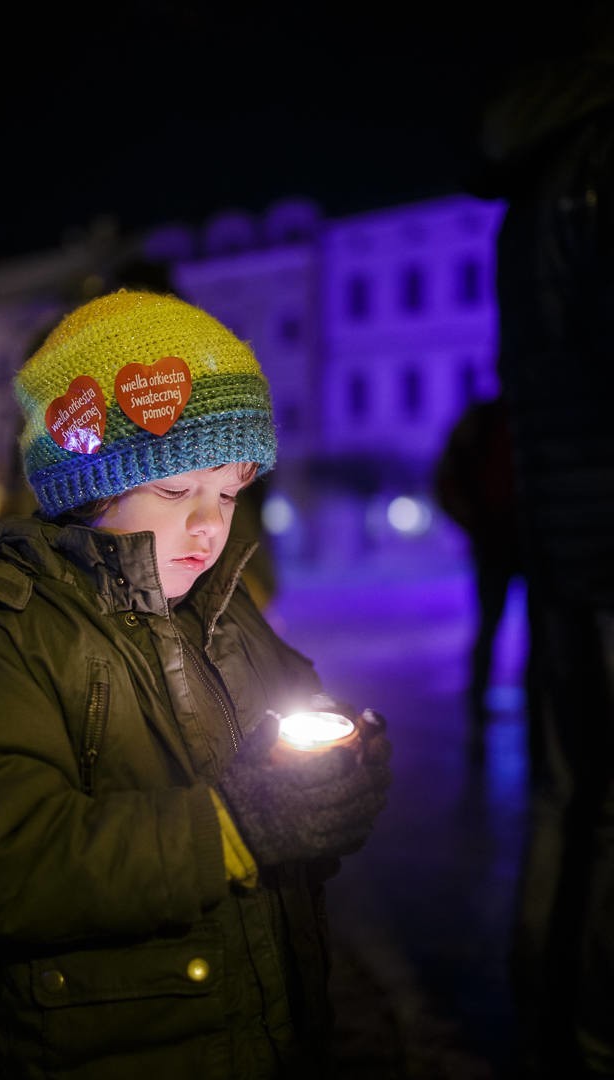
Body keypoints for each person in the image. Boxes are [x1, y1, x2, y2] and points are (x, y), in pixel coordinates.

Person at [0, 289, 392, 1080]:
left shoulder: (224, 606)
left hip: (270, 1029)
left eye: (231, 493)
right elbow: (6, 861)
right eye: (175, 492)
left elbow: (297, 719)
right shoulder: (10, 630)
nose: (209, 525)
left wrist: (339, 772)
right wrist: (234, 831)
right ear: (87, 485)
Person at [466, 7, 614, 1076]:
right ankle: (604, 1032)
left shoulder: (536, 183)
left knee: (571, 792)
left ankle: (546, 1008)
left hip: (566, 530)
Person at [433, 393, 523, 756]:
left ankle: (481, 724)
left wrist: (473, 522)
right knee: (497, 633)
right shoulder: (488, 421)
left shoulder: (481, 422)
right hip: (506, 540)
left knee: (491, 631)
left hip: (498, 539)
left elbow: (446, 479)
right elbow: (447, 480)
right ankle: (485, 724)